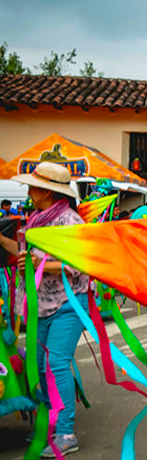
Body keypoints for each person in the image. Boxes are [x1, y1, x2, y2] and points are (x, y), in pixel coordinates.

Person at [0, 162, 89, 458]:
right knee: (38, 368)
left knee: (56, 365)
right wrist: (4, 242)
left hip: (68, 304)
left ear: (48, 192)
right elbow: (25, 255)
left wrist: (42, 265)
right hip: (40, 309)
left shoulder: (70, 221)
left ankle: (66, 432)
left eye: (33, 187)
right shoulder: (37, 219)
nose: (29, 191)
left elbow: (81, 265)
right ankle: (50, 423)